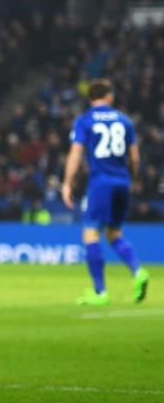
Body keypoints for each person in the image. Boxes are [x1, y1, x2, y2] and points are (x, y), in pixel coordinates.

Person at [62, 79, 149, 306]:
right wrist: (131, 178)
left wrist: (67, 183)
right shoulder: (125, 120)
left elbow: (75, 154)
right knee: (115, 234)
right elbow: (136, 157)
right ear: (109, 96)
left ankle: (100, 293)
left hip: (100, 182)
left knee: (90, 234)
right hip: (122, 182)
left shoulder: (85, 120)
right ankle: (138, 271)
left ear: (91, 98)